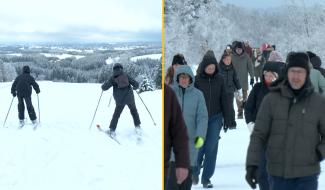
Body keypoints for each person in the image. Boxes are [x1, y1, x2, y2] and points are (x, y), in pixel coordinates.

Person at [246, 52, 325, 190]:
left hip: (307, 175)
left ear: (307, 74)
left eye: (300, 72)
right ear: (286, 73)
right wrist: (252, 164)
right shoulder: (271, 100)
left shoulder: (317, 102)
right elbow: (258, 134)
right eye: (292, 71)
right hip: (278, 174)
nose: (296, 76)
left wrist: (318, 153)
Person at [193, 50, 236, 188]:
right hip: (200, 119)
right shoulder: (197, 80)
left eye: (213, 66)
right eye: (208, 66)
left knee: (211, 146)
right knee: (199, 145)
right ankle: (194, 171)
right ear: (204, 67)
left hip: (216, 118)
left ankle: (206, 178)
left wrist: (229, 119)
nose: (211, 68)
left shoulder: (220, 79)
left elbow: (226, 100)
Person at [167, 65, 208, 190]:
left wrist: (200, 135)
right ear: (177, 78)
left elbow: (203, 117)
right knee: (172, 180)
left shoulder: (198, 95)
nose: (184, 80)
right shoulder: (170, 92)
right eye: (182, 77)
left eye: (187, 78)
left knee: (185, 182)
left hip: (189, 144)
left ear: (191, 79)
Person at [244, 62, 279, 190]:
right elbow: (248, 108)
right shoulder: (258, 88)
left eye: (271, 76)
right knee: (262, 168)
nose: (268, 78)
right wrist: (250, 124)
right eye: (266, 75)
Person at [101, 63, 141, 137]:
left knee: (116, 115)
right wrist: (135, 87)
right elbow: (136, 84)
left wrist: (102, 86)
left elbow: (105, 87)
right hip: (130, 98)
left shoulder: (113, 77)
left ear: (114, 69)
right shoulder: (126, 75)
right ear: (121, 68)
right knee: (134, 111)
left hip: (120, 100)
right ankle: (138, 127)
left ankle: (112, 130)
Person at [164, 84, 190, 190]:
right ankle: (137, 123)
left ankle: (112, 127)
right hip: (164, 164)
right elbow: (179, 131)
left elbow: (178, 130)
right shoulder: (168, 92)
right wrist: (182, 163)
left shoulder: (168, 92)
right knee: (134, 111)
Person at [231, 41, 254, 119]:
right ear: (235, 49)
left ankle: (245, 110)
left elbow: (250, 67)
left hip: (244, 80)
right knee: (238, 97)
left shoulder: (246, 56)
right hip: (235, 81)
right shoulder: (231, 56)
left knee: (244, 97)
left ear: (242, 49)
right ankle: (240, 112)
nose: (239, 50)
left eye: (240, 49)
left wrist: (252, 77)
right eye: (237, 49)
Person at [218, 52, 242, 125]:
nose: (229, 61)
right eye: (227, 59)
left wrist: (239, 88)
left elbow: (236, 79)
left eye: (230, 59)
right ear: (223, 60)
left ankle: (231, 122)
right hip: (221, 91)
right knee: (221, 106)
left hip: (230, 90)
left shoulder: (232, 68)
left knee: (230, 107)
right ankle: (222, 121)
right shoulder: (219, 68)